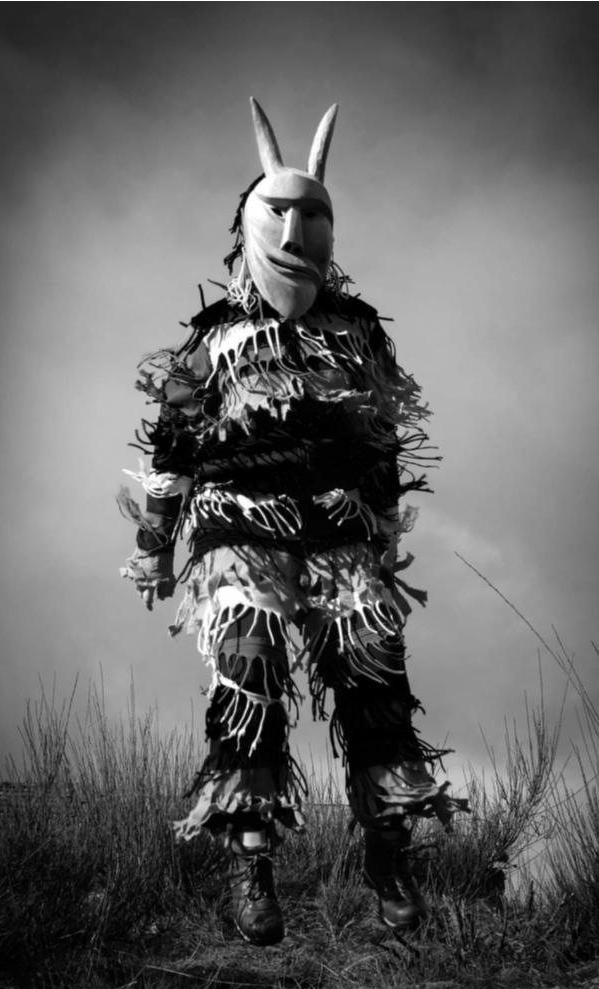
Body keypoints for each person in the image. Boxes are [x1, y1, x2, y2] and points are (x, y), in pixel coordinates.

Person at [119, 98, 467, 946]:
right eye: (278, 212)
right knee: (249, 678)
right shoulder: (212, 340)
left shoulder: (357, 334)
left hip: (339, 537)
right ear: (247, 223)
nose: (294, 232)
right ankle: (250, 865)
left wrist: (381, 532)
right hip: (237, 535)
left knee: (374, 677)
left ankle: (389, 857)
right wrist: (155, 546)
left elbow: (380, 438)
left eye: (313, 216)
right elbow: (170, 449)